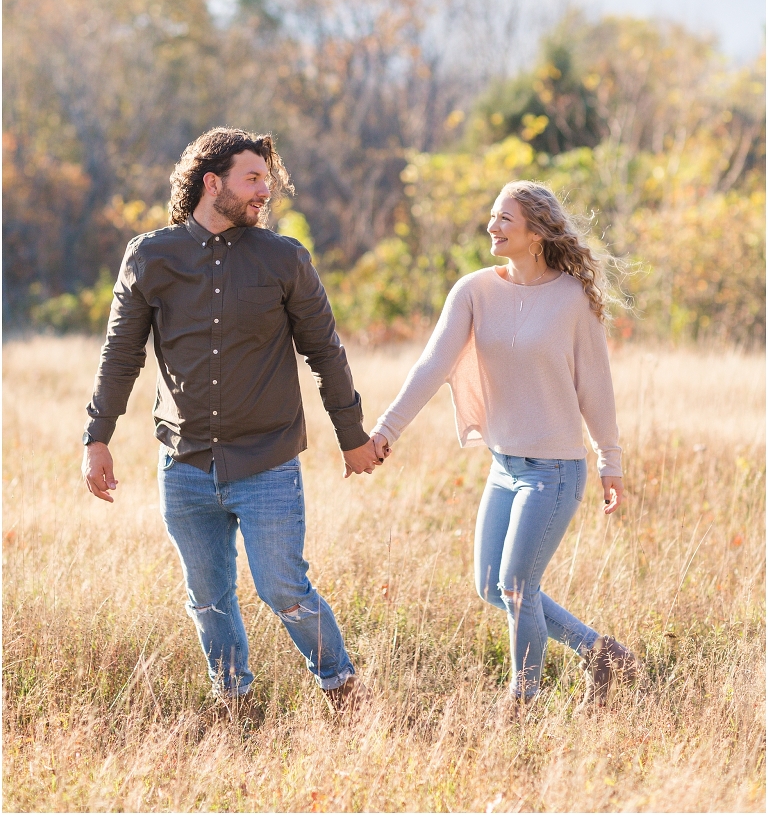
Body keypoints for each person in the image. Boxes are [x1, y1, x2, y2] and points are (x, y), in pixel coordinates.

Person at [82, 127, 385, 716]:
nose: (264, 191)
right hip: (185, 464)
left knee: (284, 589)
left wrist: (352, 437)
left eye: (267, 179)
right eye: (252, 178)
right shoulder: (150, 257)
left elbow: (325, 352)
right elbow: (120, 354)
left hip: (266, 462)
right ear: (211, 182)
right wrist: (97, 437)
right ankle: (235, 702)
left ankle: (342, 687)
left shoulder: (284, 258)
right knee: (207, 599)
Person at [369, 180, 637, 710]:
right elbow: (433, 365)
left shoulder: (572, 298)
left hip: (554, 471)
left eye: (504, 218)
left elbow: (596, 386)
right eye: (492, 216)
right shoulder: (473, 291)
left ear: (536, 232)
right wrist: (385, 430)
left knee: (517, 585)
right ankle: (603, 655)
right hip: (504, 466)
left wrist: (610, 458)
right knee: (491, 585)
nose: (492, 226)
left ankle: (522, 702)